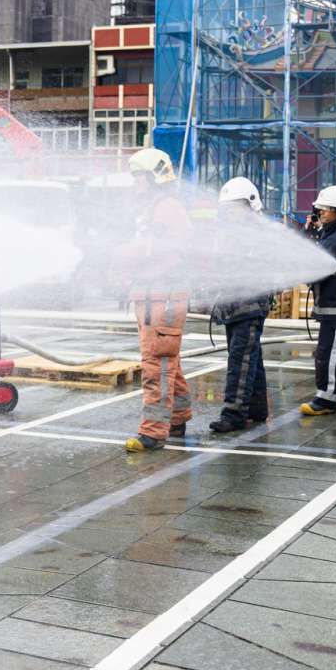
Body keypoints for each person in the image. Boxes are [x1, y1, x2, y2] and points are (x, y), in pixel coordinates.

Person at [120, 147, 194, 452]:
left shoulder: (167, 208)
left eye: (140, 177)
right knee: (167, 362)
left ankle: (153, 431)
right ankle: (178, 416)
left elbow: (175, 251)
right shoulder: (153, 208)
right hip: (152, 296)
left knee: (157, 363)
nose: (136, 182)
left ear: (155, 178)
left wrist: (134, 258)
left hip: (162, 298)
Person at [207, 177, 271, 434]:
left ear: (249, 205)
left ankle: (233, 414)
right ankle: (256, 408)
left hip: (248, 305)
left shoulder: (255, 234)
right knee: (251, 357)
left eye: (234, 208)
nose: (229, 214)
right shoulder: (236, 233)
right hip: (235, 305)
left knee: (240, 360)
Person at [300, 185, 336, 416]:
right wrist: (311, 232)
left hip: (335, 305)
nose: (321, 212)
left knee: (330, 351)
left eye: (326, 209)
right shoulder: (333, 235)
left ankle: (326, 398)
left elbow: (315, 264)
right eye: (320, 209)